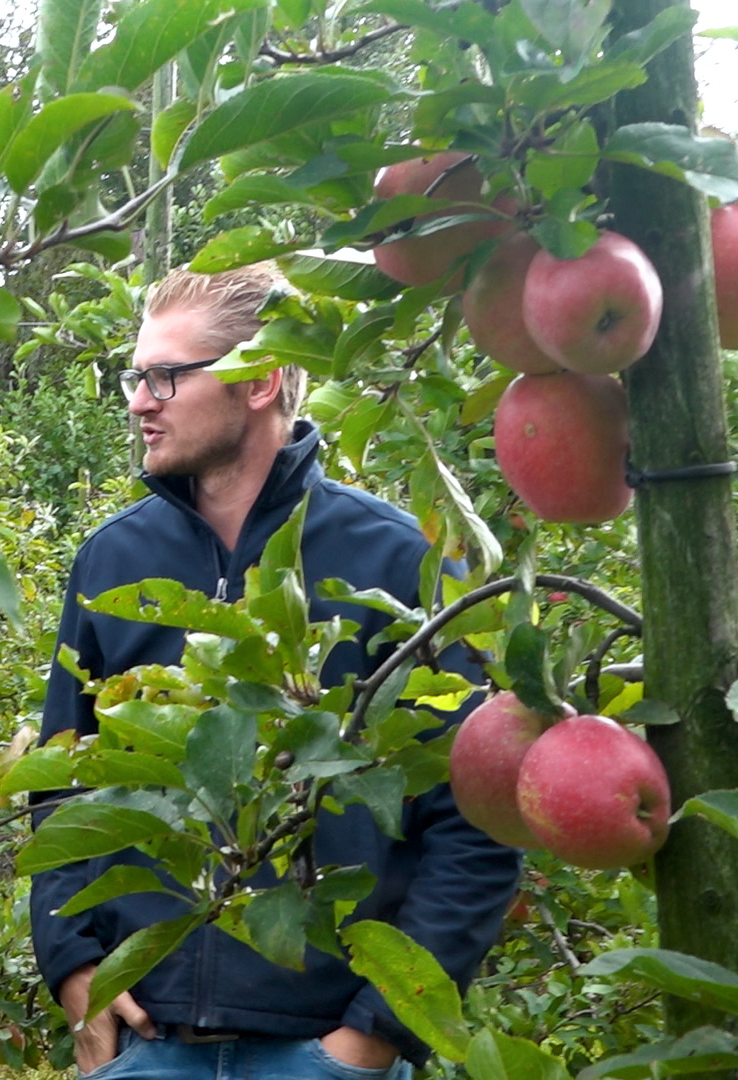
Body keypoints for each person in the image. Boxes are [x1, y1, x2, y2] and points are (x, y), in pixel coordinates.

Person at [29, 265, 521, 1079]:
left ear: (256, 381)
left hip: (323, 1052)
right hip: (148, 1049)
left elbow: (477, 817)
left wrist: (373, 1036)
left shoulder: (398, 561)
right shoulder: (114, 561)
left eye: (164, 376)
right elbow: (62, 789)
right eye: (136, 375)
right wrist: (77, 973)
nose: (138, 399)